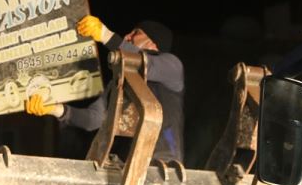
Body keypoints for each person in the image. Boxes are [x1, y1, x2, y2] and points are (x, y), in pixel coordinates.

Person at [26, 15, 185, 162]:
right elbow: (93, 119)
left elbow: (146, 65)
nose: (127, 36)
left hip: (164, 164)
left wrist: (105, 35)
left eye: (136, 33)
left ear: (153, 42)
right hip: (127, 166)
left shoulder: (172, 66)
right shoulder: (119, 81)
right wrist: (55, 109)